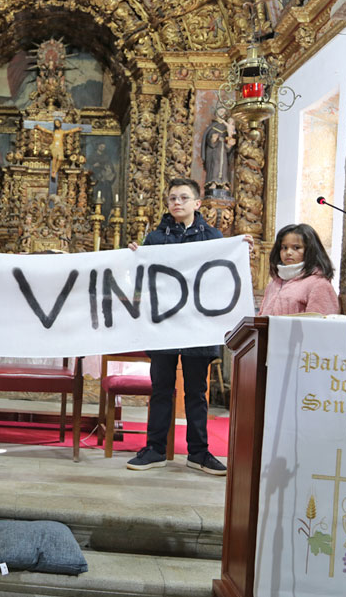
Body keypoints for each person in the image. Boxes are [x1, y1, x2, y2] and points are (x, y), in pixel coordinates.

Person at [126, 178, 252, 476]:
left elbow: (221, 278)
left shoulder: (214, 237)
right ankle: (155, 449)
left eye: (184, 197)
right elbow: (141, 281)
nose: (177, 202)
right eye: (172, 198)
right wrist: (134, 257)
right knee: (161, 389)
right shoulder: (155, 239)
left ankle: (198, 452)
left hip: (198, 326)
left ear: (197, 203)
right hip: (165, 325)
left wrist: (238, 247)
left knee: (196, 392)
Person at [259, 223, 339, 316]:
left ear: (310, 250)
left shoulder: (319, 284)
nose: (288, 252)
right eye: (284, 247)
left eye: (296, 248)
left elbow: (320, 324)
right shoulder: (274, 283)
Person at [201, 106, 236, 191]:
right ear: (216, 112)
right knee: (215, 165)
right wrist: (213, 140)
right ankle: (213, 182)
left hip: (223, 150)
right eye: (220, 111)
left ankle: (223, 183)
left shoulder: (226, 127)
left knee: (223, 166)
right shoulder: (212, 126)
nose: (222, 113)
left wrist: (229, 145)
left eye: (223, 112)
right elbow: (208, 140)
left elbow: (228, 146)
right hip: (213, 151)